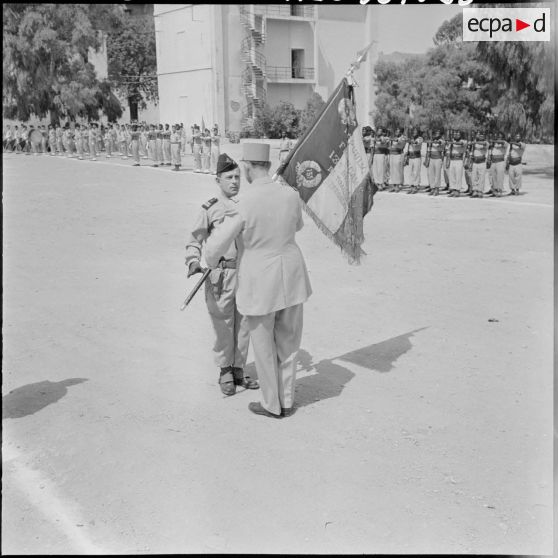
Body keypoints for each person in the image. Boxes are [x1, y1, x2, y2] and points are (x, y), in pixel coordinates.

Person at [205, 143, 312, 418]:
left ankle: (270, 403)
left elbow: (216, 247)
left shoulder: (244, 201)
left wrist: (210, 258)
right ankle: (286, 400)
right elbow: (297, 226)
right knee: (288, 342)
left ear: (249, 167)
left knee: (263, 345)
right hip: (292, 274)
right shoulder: (289, 195)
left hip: (259, 279)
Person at [185, 153, 258, 396]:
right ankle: (225, 370)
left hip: (245, 272)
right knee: (223, 325)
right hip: (220, 275)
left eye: (238, 177)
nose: (235, 181)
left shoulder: (247, 206)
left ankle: (239, 368)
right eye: (229, 177)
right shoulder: (210, 208)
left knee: (245, 323)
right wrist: (193, 261)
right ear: (218, 180)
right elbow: (195, 239)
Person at [446, 129, 467, 197]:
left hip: (459, 160)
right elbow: (448, 151)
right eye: (455, 134)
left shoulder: (463, 141)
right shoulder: (452, 141)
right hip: (452, 160)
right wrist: (448, 161)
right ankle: (453, 189)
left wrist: (452, 143)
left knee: (458, 175)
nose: (456, 135)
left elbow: (461, 144)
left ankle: (457, 190)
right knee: (452, 175)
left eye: (458, 134)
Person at [488, 131, 508, 197]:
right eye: (497, 136)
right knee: (493, 177)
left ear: (502, 137)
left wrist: (493, 141)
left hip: (500, 162)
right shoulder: (494, 144)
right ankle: (495, 190)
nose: (498, 137)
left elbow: (503, 143)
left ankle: (500, 190)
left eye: (500, 136)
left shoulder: (504, 143)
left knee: (500, 177)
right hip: (493, 162)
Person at [470, 130, 489, 198]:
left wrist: (475, 142)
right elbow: (472, 152)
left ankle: (480, 191)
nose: (480, 136)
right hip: (475, 162)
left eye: (482, 135)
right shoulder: (475, 143)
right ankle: (475, 191)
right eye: (479, 135)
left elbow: (484, 145)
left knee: (481, 177)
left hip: (482, 162)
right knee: (474, 177)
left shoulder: (486, 142)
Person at [426, 129, 445, 196]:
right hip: (431, 158)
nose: (436, 134)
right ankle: (432, 188)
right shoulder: (432, 140)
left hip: (438, 158)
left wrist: (433, 141)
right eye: (435, 133)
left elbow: (440, 143)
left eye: (438, 133)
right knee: (431, 174)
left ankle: (437, 189)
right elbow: (428, 150)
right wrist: (427, 159)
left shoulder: (441, 140)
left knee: (437, 174)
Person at [387, 127, 407, 192]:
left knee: (397, 170)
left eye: (398, 131)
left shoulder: (403, 137)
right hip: (392, 154)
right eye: (396, 131)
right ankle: (393, 185)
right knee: (392, 170)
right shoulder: (393, 137)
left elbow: (400, 142)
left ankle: (397, 185)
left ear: (401, 132)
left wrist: (394, 139)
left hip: (398, 154)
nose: (397, 133)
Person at [406, 128, 423, 194]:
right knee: (410, 172)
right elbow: (409, 148)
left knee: (416, 172)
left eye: (416, 131)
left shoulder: (420, 138)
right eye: (413, 131)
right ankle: (411, 185)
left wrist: (410, 141)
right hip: (410, 157)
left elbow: (416, 143)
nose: (414, 133)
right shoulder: (411, 138)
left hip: (416, 157)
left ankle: (416, 186)